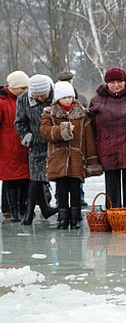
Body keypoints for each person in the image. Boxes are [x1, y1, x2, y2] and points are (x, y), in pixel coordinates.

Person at [40, 81, 102, 229]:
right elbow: (44, 131)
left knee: (75, 188)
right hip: (58, 159)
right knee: (61, 189)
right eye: (64, 97)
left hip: (76, 159)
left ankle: (75, 217)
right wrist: (62, 130)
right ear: (57, 99)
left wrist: (92, 160)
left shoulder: (82, 114)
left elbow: (89, 139)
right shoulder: (50, 113)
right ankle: (63, 217)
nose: (67, 100)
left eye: (70, 96)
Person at [89, 67, 126, 208]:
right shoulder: (97, 100)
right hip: (108, 149)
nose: (116, 85)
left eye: (119, 81)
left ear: (125, 81)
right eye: (112, 82)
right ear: (106, 83)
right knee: (111, 189)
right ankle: (113, 216)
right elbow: (91, 127)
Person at [15, 74, 58, 225]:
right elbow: (20, 122)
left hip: (56, 142)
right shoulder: (23, 100)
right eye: (37, 96)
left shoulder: (57, 96)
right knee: (36, 177)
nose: (40, 98)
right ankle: (29, 212)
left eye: (43, 95)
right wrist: (27, 137)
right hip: (36, 143)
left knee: (57, 176)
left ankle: (50, 208)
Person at [1, 70, 31, 222]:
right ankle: (9, 210)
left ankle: (23, 208)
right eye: (22, 88)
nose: (25, 91)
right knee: (10, 179)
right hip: (7, 148)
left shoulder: (26, 100)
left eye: (27, 88)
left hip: (24, 147)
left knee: (25, 178)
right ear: (13, 87)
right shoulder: (2, 101)